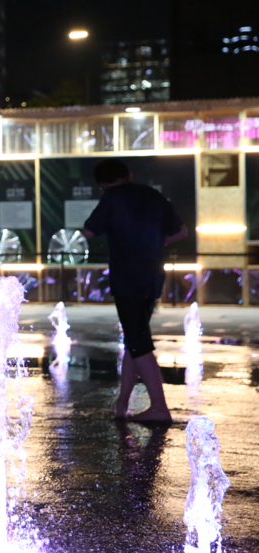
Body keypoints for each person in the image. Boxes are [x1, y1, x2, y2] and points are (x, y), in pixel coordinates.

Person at [82, 159, 187, 423]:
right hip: (152, 276)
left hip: (127, 278)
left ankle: (160, 408)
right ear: (129, 174)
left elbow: (89, 232)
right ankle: (122, 404)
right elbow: (181, 231)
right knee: (134, 338)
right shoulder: (153, 195)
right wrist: (153, 240)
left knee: (139, 342)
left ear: (101, 184)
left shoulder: (111, 198)